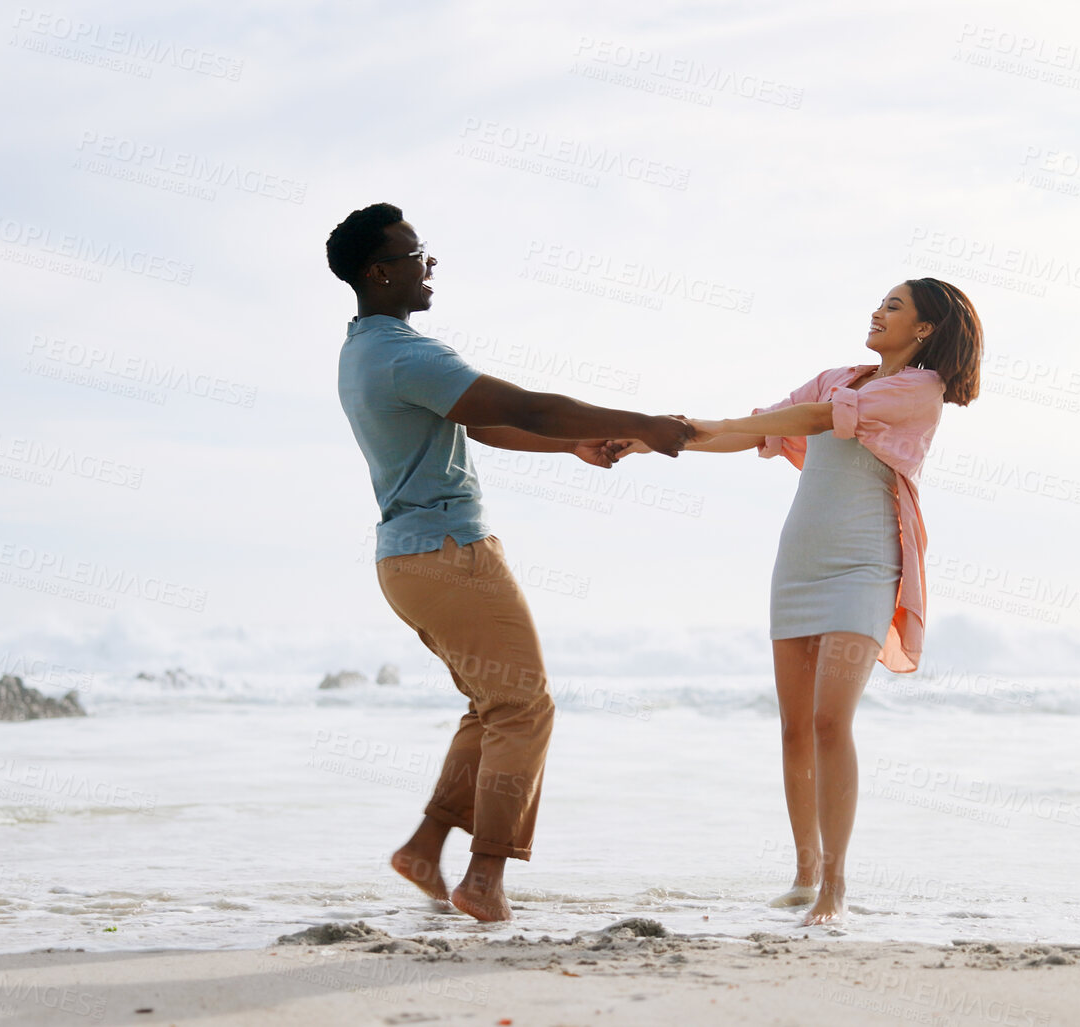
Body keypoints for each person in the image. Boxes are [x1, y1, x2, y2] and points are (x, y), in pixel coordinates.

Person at [326, 202, 697, 922]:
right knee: (524, 706)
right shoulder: (407, 352)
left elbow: (484, 421)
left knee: (492, 706)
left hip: (406, 560)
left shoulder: (365, 350)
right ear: (377, 272)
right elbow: (526, 406)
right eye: (414, 253)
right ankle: (484, 878)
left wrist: (574, 445)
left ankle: (424, 846)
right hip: (449, 553)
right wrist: (634, 422)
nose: (428, 263)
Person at [642, 278, 982, 925]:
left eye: (893, 306)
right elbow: (754, 428)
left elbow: (809, 420)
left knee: (830, 721)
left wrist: (703, 428)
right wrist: (657, 436)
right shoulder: (835, 375)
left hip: (863, 566)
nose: (877, 312)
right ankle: (802, 872)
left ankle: (834, 886)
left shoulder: (916, 390)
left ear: (923, 329)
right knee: (795, 725)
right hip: (798, 564)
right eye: (879, 302)